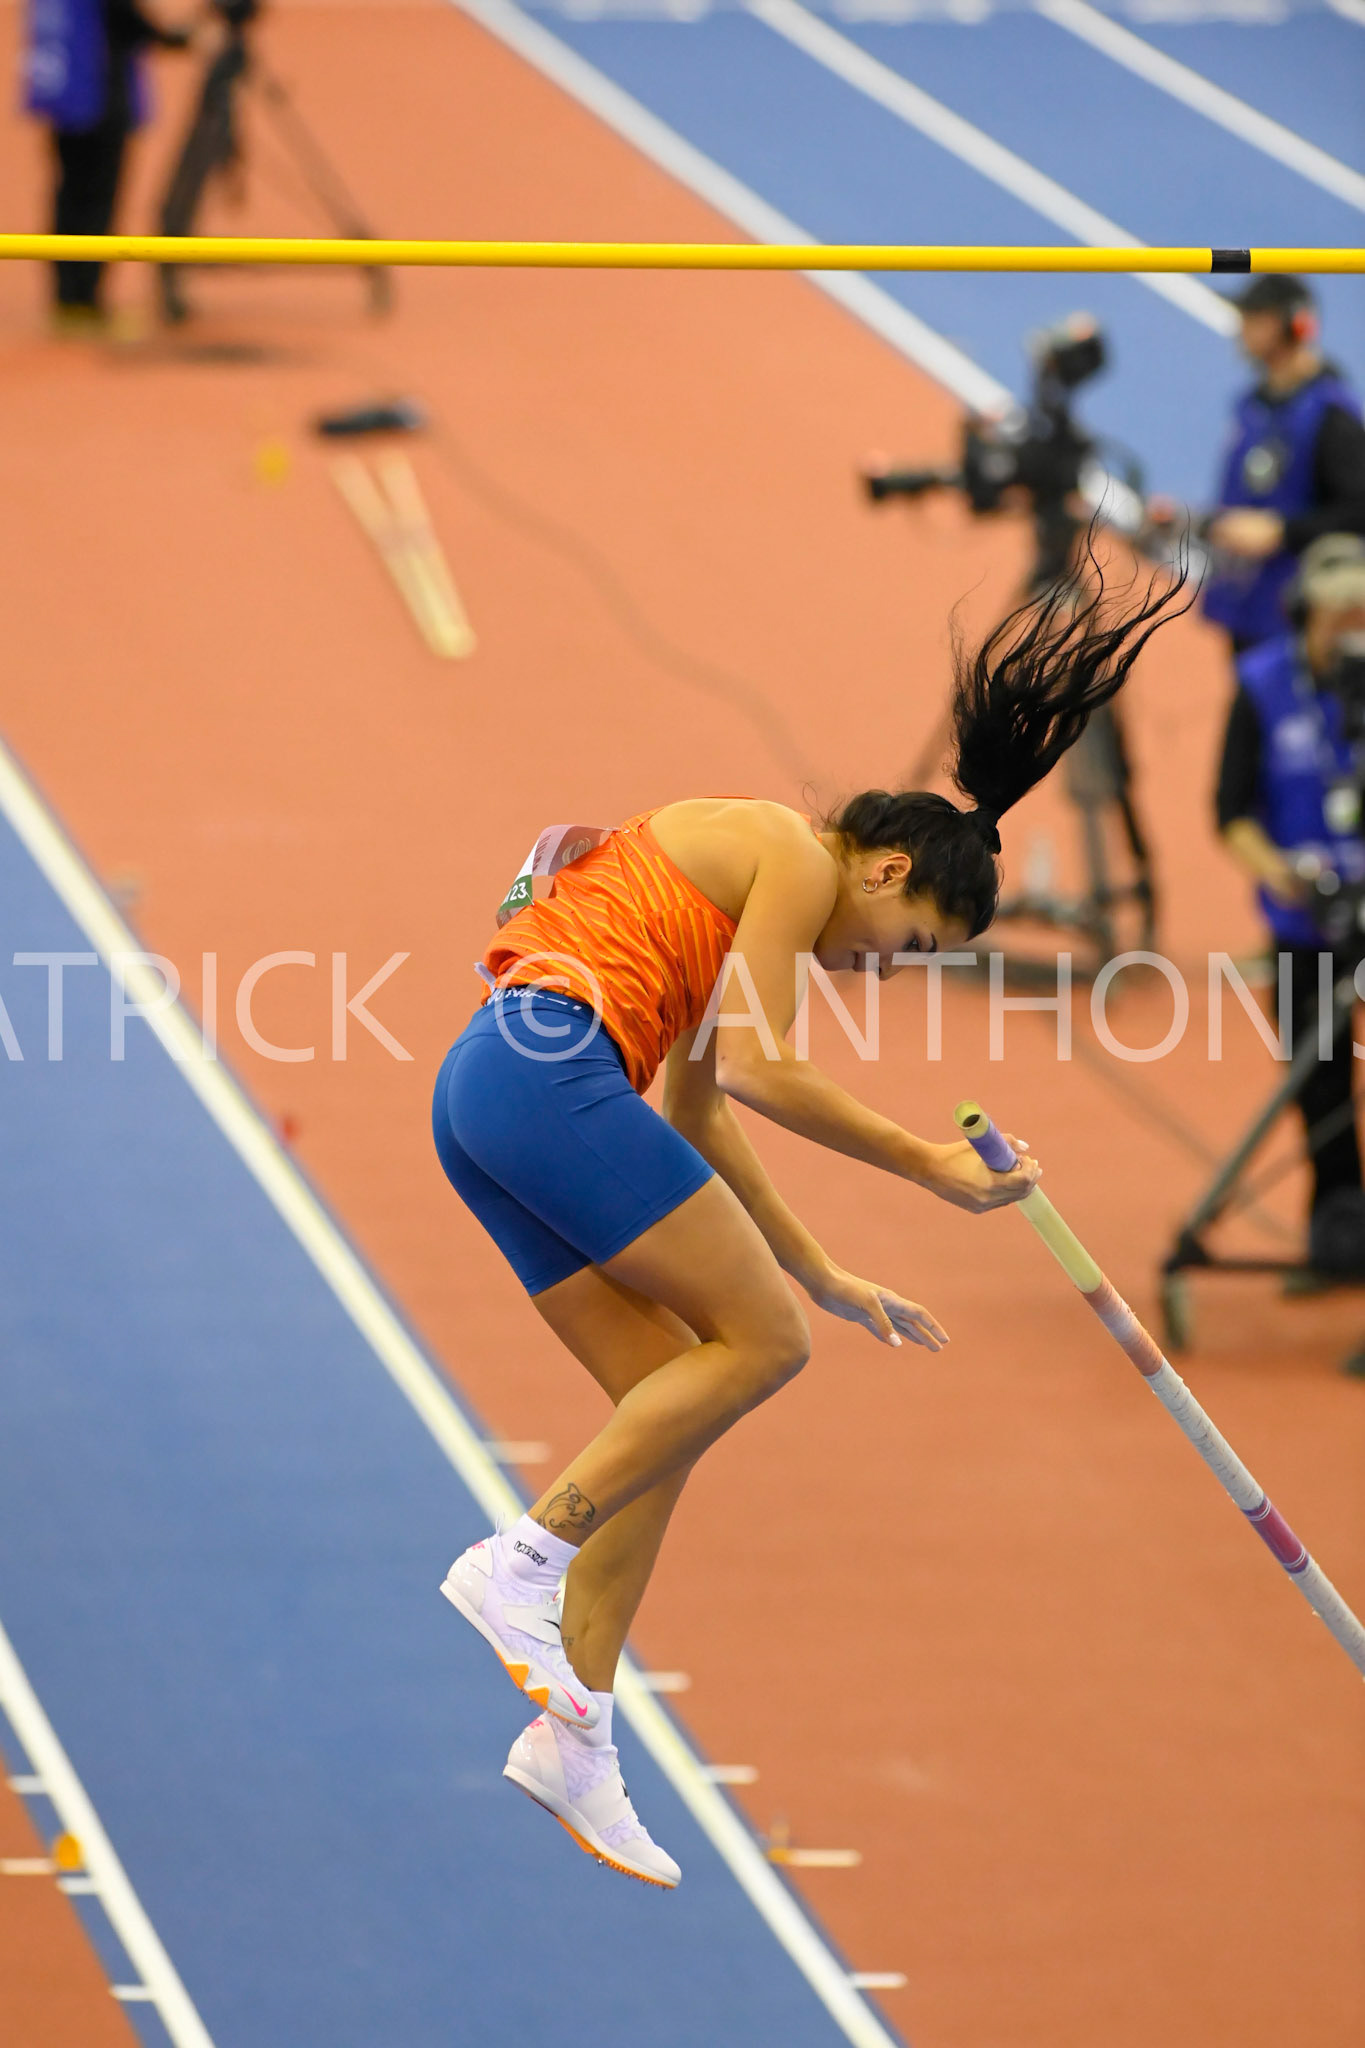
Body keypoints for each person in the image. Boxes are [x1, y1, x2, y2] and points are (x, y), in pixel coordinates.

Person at [433, 556, 1190, 1888]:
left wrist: (823, 1266)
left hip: (491, 1094)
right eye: (903, 944)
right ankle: (521, 1556)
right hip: (542, 1066)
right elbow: (771, 1070)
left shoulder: (734, 909)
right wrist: (924, 1165)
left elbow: (708, 1107)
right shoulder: (784, 849)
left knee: (676, 1392)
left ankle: (578, 1729)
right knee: (758, 1350)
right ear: (885, 864)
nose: (880, 969)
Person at [1217, 532, 1365, 1274]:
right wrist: (1283, 877)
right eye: (1338, 618)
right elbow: (1229, 810)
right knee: (1319, 1084)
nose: (1351, 634)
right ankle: (1338, 1240)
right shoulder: (1261, 683)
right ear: (1305, 614)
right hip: (1307, 924)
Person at [1204, 275, 1365, 655]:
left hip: (1298, 613)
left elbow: (1359, 510)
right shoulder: (1251, 402)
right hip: (1247, 599)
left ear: (1289, 324)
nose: (1240, 329)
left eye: (1253, 318)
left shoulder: (1332, 416)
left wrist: (1282, 532)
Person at [23, 0, 191, 329]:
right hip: (97, 97)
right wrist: (174, 38)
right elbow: (125, 18)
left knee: (70, 194)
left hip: (67, 93)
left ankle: (70, 299)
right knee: (94, 200)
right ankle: (83, 301)